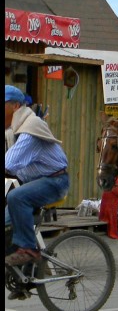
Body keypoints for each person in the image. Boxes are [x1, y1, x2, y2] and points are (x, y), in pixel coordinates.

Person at [5, 85, 70, 267]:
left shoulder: (30, 128)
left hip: (54, 182)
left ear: (15, 106)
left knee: (16, 197)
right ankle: (22, 274)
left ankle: (28, 250)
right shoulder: (16, 128)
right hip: (35, 183)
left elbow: (8, 163)